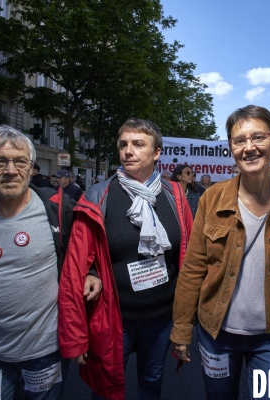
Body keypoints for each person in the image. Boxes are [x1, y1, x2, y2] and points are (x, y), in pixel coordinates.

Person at [0, 125, 102, 400]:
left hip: (46, 353)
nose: (11, 170)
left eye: (20, 161)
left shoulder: (61, 211)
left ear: (30, 167)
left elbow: (86, 253)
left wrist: (92, 272)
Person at [171, 105, 270, 399]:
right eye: (240, 140)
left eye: (258, 138)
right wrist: (181, 327)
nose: (249, 148)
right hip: (217, 335)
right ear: (231, 147)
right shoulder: (212, 197)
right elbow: (194, 267)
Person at [58, 118, 193, 400]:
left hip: (161, 318)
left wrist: (186, 319)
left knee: (151, 381)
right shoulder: (98, 195)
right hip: (114, 318)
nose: (128, 151)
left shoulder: (176, 196)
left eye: (138, 144)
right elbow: (76, 267)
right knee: (106, 387)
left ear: (157, 152)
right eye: (123, 144)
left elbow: (190, 257)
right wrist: (75, 334)